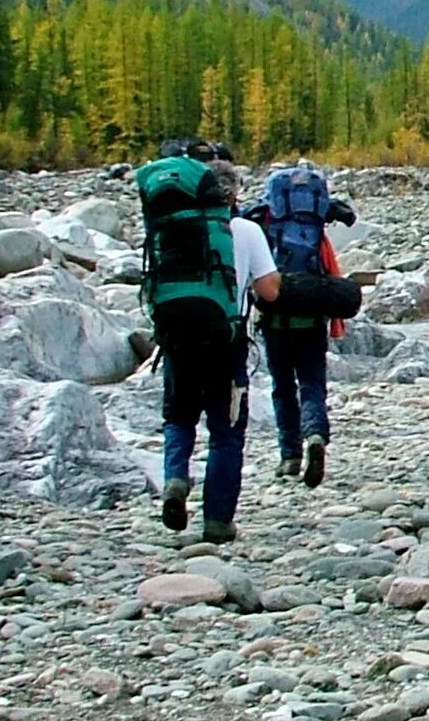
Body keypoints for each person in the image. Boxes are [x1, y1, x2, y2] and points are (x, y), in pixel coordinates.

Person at [142, 143, 280, 544]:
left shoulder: (171, 228)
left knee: (179, 418)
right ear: (233, 194)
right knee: (226, 431)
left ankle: (175, 479)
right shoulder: (245, 230)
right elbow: (269, 291)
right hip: (226, 341)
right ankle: (218, 520)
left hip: (176, 338)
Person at [249, 161, 358, 489]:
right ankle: (315, 435)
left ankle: (290, 456)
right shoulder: (319, 212)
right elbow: (349, 216)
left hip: (276, 314)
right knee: (312, 383)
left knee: (283, 388)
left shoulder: (264, 215)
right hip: (312, 312)